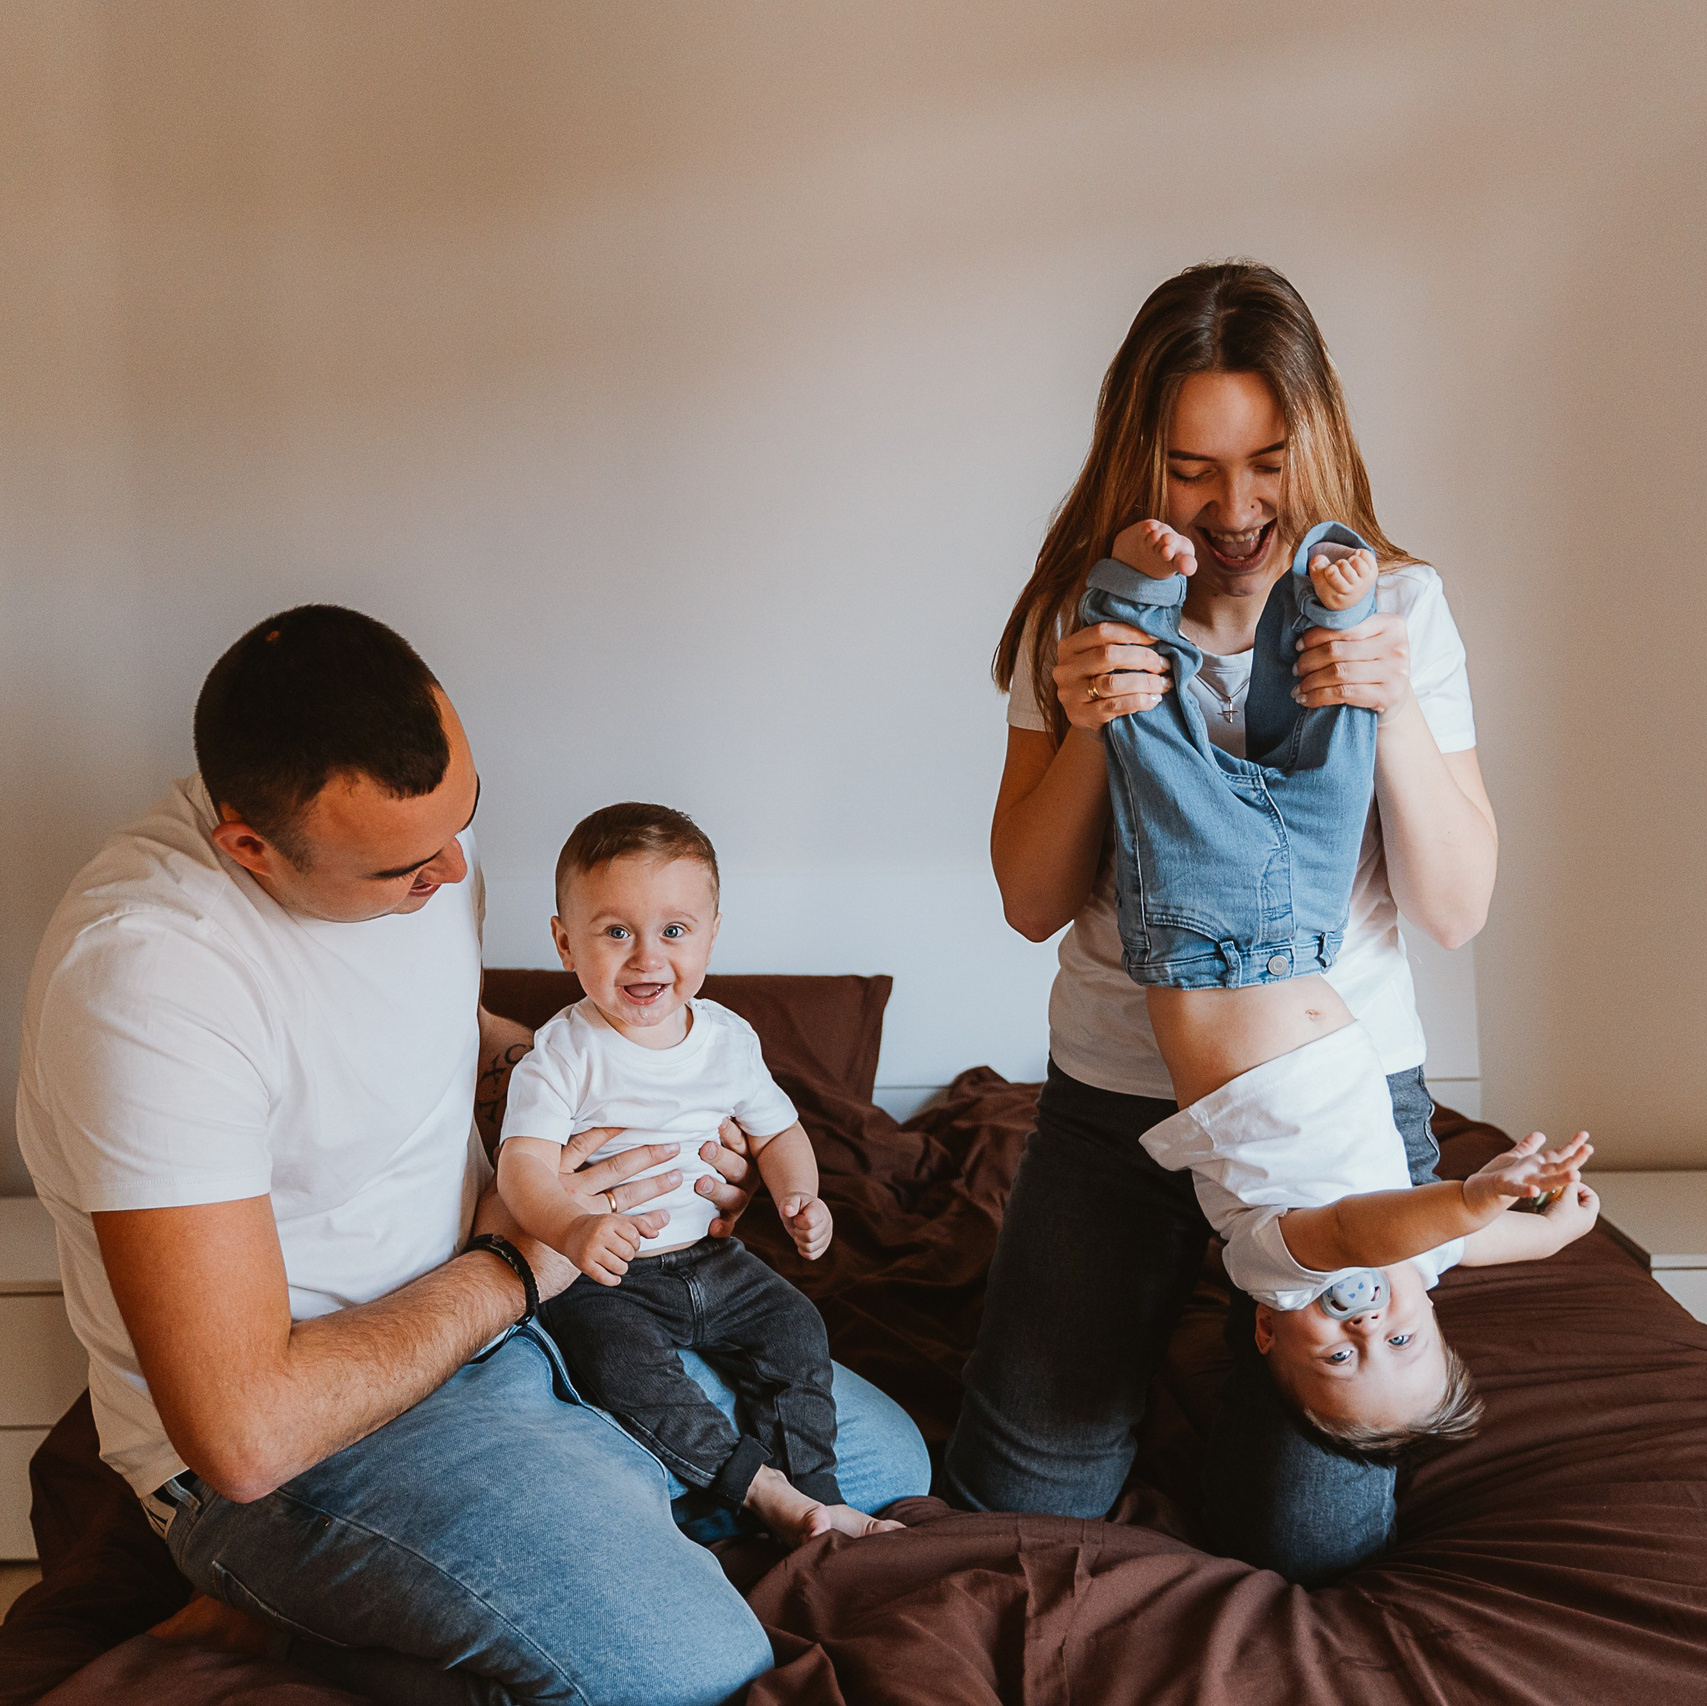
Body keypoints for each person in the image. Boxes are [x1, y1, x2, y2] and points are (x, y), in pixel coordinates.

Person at [15, 605, 929, 1706]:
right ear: (250, 846)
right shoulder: (147, 984)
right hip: (325, 1436)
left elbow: (434, 1033)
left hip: (515, 1322)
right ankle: (282, 1610)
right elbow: (245, 1438)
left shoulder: (421, 840)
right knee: (694, 1665)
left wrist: (648, 1120)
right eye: (407, 867)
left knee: (891, 1461)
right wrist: (515, 1264)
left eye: (467, 820)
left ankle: (590, 1516)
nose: (451, 872)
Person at [944, 260, 1500, 1584]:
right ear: (1139, 458)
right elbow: (1028, 901)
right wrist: (1085, 720)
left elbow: (1453, 907)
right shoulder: (1077, 608)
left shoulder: (1396, 607)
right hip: (1116, 1099)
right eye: (1192, 467)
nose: (1236, 507)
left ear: (1313, 440)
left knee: (1308, 1538)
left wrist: (1393, 711)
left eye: (1263, 461)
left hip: (1338, 1105)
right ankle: (1169, 1341)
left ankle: (1218, 1353)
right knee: (1015, 1506)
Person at [1085, 519, 1597, 1449]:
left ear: (1268, 1333)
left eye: (1337, 1357)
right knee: (1328, 760)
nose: (1365, 1326)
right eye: (1401, 1338)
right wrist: (1549, 1232)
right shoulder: (1422, 1255)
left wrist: (1477, 1198)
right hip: (1308, 939)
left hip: (1205, 947)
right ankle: (1326, 612)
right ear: (1429, 1315)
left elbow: (1362, 1232)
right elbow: (1445, 1247)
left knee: (1163, 760)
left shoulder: (1275, 1267)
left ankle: (1128, 609)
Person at [499, 801, 902, 1546]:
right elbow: (520, 1168)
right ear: (563, 943)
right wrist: (573, 1225)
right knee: (617, 1367)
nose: (647, 957)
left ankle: (815, 1494)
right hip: (606, 1279)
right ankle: (753, 1487)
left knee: (796, 1328)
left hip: (715, 1259)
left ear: (712, 934)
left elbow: (775, 1128)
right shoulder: (563, 1051)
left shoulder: (726, 1037)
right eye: (615, 931)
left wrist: (797, 1193)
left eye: (673, 931)